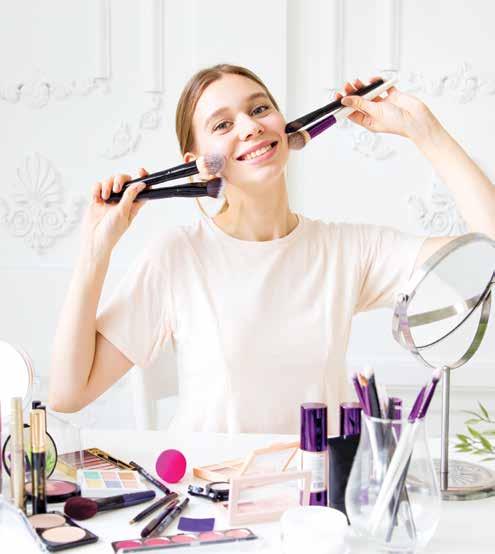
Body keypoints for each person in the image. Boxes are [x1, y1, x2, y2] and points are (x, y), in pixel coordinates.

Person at [48, 64, 495, 434]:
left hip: (316, 496)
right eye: (223, 124)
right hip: (213, 497)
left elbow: (487, 253)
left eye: (260, 108)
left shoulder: (347, 250)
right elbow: (68, 395)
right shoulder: (177, 256)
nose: (251, 126)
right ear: (197, 166)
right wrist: (94, 252)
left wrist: (426, 133)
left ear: (287, 129)